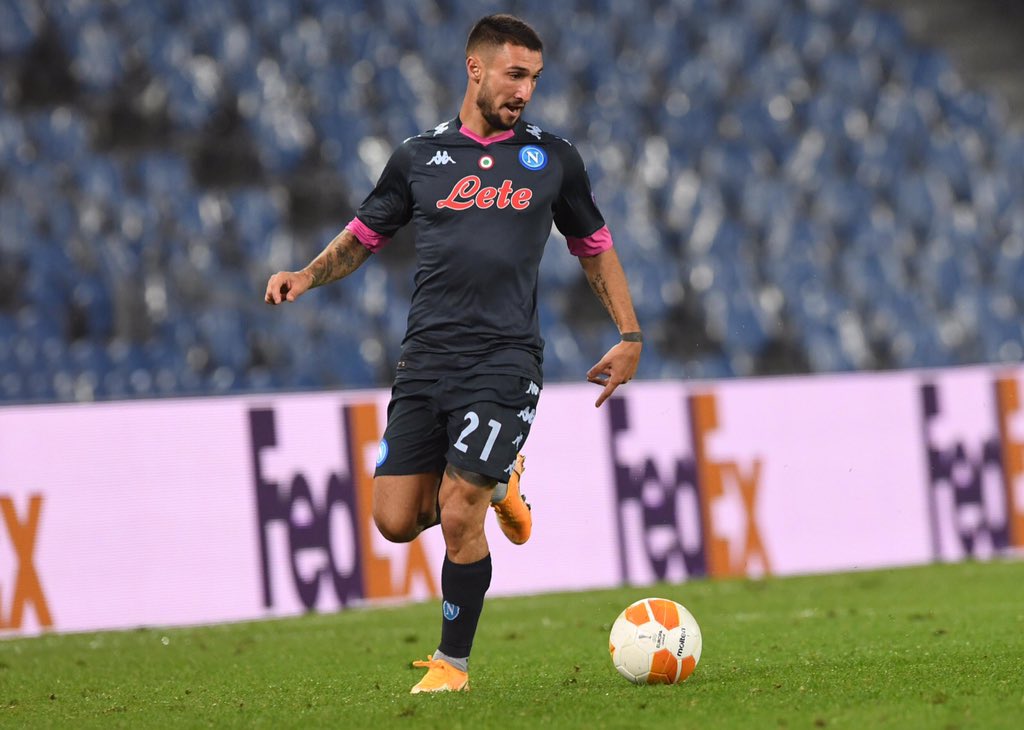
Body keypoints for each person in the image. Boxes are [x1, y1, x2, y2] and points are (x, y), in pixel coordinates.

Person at [264, 13, 642, 693]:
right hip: (425, 360)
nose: (525, 90)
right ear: (476, 68)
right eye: (515, 74)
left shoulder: (553, 159)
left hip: (504, 360)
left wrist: (629, 334)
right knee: (394, 520)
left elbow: (594, 248)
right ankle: (501, 480)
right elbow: (361, 237)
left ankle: (452, 665)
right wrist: (306, 275)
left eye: (534, 78)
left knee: (459, 507)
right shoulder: (418, 158)